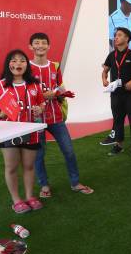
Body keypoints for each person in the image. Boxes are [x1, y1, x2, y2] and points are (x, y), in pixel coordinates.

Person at [28, 33, 93, 198]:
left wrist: (57, 93)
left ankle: (75, 182)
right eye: (36, 43)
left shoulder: (54, 66)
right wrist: (43, 96)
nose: (40, 46)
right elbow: (23, 92)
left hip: (55, 117)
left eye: (44, 43)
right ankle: (44, 186)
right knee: (39, 155)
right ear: (31, 47)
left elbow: (61, 88)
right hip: (35, 120)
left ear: (49, 46)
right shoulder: (26, 67)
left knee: (69, 151)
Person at [0, 49, 46, 214]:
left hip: (32, 131)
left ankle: (29, 196)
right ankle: (17, 200)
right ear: (8, 64)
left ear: (27, 64)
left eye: (22, 60)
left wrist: (39, 109)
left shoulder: (34, 84)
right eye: (13, 61)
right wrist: (0, 113)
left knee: (29, 166)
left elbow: (42, 103)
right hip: (8, 133)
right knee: (11, 167)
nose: (18, 64)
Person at [102, 27, 131, 156]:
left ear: (127, 38)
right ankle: (118, 145)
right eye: (115, 35)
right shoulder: (111, 55)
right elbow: (105, 71)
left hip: (130, 94)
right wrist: (104, 79)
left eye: (119, 35)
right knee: (117, 119)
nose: (116, 37)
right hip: (115, 93)